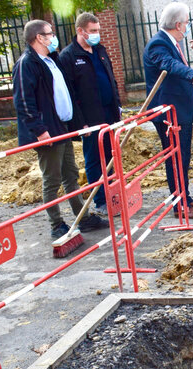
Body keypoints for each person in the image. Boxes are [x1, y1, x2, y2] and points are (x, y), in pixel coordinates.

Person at [12, 19, 108, 239]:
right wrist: (39, 130)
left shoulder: (51, 60)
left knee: (71, 175)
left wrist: (77, 123)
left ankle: (82, 217)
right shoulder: (28, 63)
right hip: (47, 132)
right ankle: (56, 223)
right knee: (52, 179)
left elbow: (64, 93)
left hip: (62, 128)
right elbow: (24, 101)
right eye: (50, 33)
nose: (53, 36)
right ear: (39, 37)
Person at [143, 2, 193, 219]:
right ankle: (180, 205)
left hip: (180, 112)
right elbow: (169, 65)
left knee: (183, 157)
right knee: (176, 160)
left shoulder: (171, 41)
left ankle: (186, 198)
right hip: (168, 115)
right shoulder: (158, 44)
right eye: (187, 23)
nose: (188, 27)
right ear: (178, 24)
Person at [59, 12, 122, 217]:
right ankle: (101, 200)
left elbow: (111, 80)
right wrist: (80, 123)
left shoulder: (100, 50)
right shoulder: (69, 57)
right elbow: (70, 92)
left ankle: (114, 196)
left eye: (98, 30)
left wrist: (117, 107)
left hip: (109, 115)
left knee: (111, 157)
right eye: (93, 31)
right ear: (80, 31)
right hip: (90, 120)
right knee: (95, 159)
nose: (97, 35)